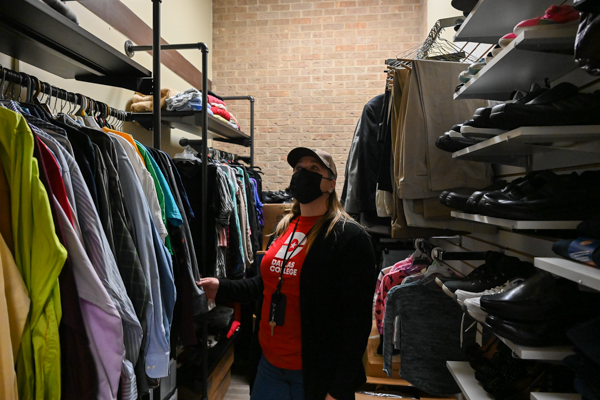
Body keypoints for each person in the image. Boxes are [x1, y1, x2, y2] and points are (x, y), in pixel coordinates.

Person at [198, 147, 376, 400]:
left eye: (314, 169)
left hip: (314, 371)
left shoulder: (349, 237)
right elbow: (267, 285)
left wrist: (339, 387)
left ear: (331, 184)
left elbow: (356, 321)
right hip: (269, 366)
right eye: (298, 169)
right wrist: (221, 286)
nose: (303, 174)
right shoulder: (285, 228)